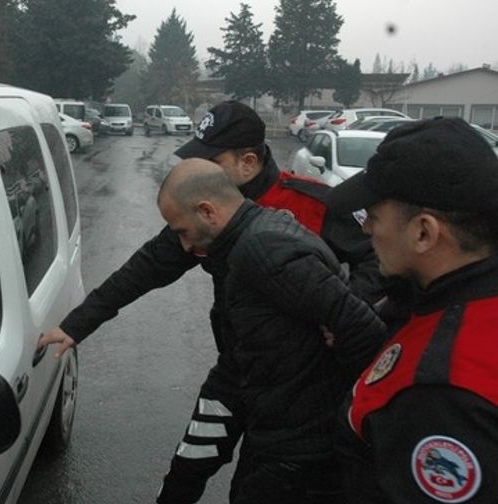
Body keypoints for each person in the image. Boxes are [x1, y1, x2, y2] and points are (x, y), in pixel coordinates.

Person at [37, 101, 387, 502]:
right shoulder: (203, 216)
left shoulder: (310, 204)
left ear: (248, 162)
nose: (198, 169)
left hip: (298, 397)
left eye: (211, 159)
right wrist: (77, 324)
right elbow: (146, 268)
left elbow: (378, 260)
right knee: (189, 472)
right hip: (238, 369)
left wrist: (340, 310)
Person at [149, 158, 382, 502]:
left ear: (208, 211)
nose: (184, 246)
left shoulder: (261, 251)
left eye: (182, 231)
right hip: (278, 446)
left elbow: (364, 330)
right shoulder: (254, 240)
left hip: (299, 462)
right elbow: (238, 364)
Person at [326, 117, 498, 503]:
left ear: (424, 232)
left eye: (374, 214)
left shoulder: (439, 393)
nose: (366, 228)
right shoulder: (451, 301)